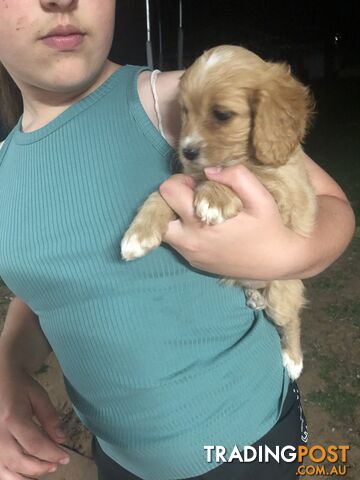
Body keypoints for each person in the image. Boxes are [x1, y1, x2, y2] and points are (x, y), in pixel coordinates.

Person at [0, 1, 355, 479]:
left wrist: (290, 254)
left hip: (248, 446)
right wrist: (8, 366)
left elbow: (333, 205)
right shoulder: (5, 162)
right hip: (117, 455)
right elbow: (54, 279)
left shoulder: (173, 99)